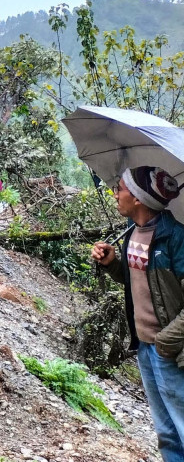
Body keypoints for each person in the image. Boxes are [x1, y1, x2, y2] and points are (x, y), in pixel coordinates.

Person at [92, 166, 184, 462]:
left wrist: (168, 340)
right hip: (145, 347)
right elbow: (143, 285)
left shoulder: (175, 239)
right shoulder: (134, 234)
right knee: (166, 432)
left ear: (139, 199)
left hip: (171, 349)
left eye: (121, 188)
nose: (115, 194)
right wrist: (112, 264)